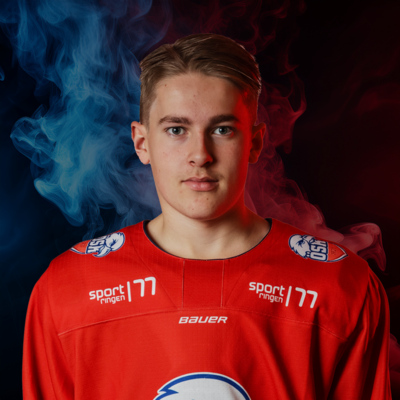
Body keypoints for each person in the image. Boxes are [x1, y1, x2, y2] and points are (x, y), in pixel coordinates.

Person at [23, 33, 392, 399]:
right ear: (142, 143)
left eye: (222, 129)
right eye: (176, 130)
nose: (200, 154)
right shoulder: (68, 289)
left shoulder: (338, 285)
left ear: (255, 143)